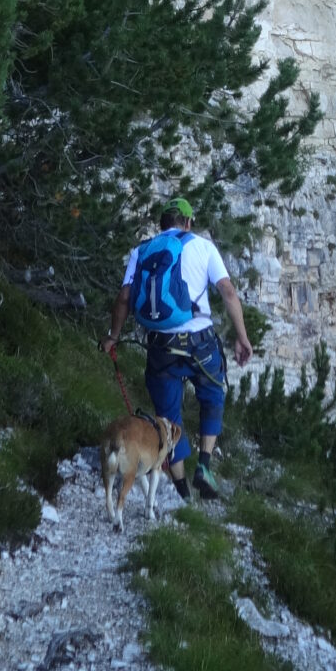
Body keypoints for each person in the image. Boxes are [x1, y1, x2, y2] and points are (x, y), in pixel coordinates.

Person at [102, 197, 252, 502]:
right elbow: (228, 292)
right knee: (212, 395)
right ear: (188, 222)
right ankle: (205, 466)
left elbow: (123, 298)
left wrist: (113, 336)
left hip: (160, 346)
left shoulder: (141, 251)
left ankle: (182, 491)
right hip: (200, 343)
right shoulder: (202, 246)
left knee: (168, 418)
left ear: (162, 225)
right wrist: (242, 337)